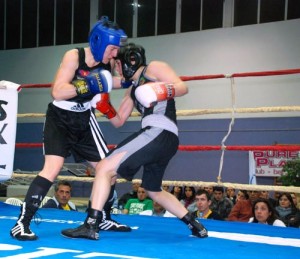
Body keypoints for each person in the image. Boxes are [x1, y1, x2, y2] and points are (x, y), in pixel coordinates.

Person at [61, 42, 208, 240]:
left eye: (117, 65)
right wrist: (105, 107)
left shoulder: (154, 68)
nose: (116, 70)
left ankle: (90, 224)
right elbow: (119, 121)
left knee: (104, 167)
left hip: (158, 131)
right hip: (163, 139)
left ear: (127, 61)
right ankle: (195, 225)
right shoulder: (131, 90)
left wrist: (160, 91)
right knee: (152, 189)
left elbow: (183, 87)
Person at [10, 17, 131, 241]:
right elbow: (57, 91)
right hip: (60, 118)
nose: (115, 53)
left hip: (84, 119)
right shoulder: (74, 56)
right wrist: (87, 84)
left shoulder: (111, 61)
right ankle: (22, 223)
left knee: (109, 170)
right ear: (99, 42)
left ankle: (102, 217)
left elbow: (108, 80)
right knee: (52, 168)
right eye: (112, 48)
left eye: (117, 49)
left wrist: (128, 79)